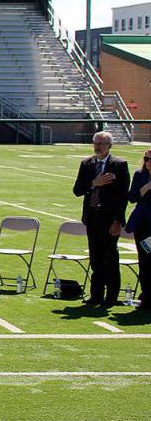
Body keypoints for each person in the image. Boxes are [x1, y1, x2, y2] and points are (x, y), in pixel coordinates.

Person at [72, 131, 129, 306]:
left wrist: (118, 221)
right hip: (92, 216)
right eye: (95, 143)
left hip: (110, 218)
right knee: (95, 257)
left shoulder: (119, 165)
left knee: (111, 257)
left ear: (110, 145)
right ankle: (96, 294)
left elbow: (122, 196)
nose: (97, 146)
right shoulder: (87, 164)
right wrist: (93, 184)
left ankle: (111, 297)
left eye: (101, 143)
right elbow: (77, 190)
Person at [125, 148, 151, 312]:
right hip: (143, 223)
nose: (149, 162)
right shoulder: (140, 175)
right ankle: (146, 295)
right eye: (147, 159)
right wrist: (147, 187)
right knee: (145, 261)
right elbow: (132, 197)